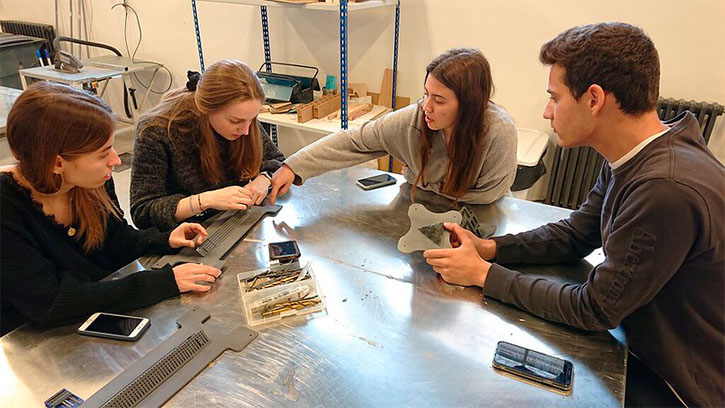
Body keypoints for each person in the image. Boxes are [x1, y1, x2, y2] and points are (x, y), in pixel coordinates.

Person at [423, 23, 724, 407]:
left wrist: (483, 275)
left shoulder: (664, 189)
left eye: (555, 97)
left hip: (678, 386)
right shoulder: (636, 157)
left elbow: (595, 308)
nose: (547, 111)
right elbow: (577, 233)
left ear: (594, 99)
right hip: (647, 349)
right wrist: (491, 249)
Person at [0, 82, 221, 335]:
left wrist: (162, 239)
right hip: (28, 337)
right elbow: (50, 302)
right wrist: (162, 283)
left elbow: (113, 237)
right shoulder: (7, 208)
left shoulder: (92, 182)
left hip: (90, 315)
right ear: (57, 162)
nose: (115, 160)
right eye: (102, 154)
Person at [270, 48, 517, 205]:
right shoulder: (414, 119)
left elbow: (487, 196)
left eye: (439, 100)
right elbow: (355, 140)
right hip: (418, 210)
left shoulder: (499, 132)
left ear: (469, 104)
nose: (426, 106)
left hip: (481, 219)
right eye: (426, 94)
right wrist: (294, 166)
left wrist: (423, 183)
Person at [131, 59, 285, 231]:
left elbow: (277, 160)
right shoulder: (156, 131)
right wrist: (204, 201)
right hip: (186, 233)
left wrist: (264, 178)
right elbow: (142, 212)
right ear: (207, 109)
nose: (246, 131)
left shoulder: (244, 118)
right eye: (235, 121)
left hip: (233, 223)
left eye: (252, 120)